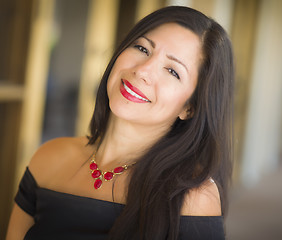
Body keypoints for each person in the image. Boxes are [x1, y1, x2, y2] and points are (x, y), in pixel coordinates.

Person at [6, 5, 234, 240]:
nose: (143, 70)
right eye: (142, 48)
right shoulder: (48, 158)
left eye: (172, 71)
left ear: (189, 107)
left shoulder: (193, 197)